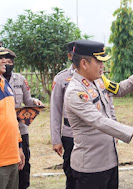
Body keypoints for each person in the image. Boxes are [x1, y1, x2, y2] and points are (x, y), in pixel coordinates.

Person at [64, 40, 133, 189]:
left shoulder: (98, 81)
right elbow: (98, 121)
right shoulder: (75, 92)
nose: (102, 65)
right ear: (84, 63)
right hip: (90, 167)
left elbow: (120, 89)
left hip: (109, 161)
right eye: (99, 61)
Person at [2, 48, 43, 189]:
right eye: (4, 61)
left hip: (20, 129)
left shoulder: (20, 79)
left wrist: (35, 102)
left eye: (9, 61)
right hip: (4, 134)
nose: (7, 64)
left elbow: (27, 99)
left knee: (23, 163)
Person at [50, 41, 77, 189]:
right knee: (71, 173)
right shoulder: (61, 78)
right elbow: (55, 110)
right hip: (70, 135)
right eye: (76, 54)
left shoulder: (95, 75)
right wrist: (56, 139)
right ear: (70, 56)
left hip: (92, 134)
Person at [0, 48, 25, 189]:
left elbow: (12, 120)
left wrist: (19, 147)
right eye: (0, 58)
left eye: (5, 57)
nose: (5, 61)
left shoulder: (6, 85)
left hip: (12, 156)